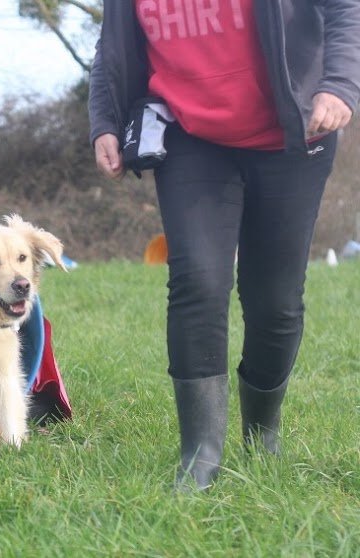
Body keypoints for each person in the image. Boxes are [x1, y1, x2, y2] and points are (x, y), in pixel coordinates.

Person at [89, 1, 360, 490]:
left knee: (274, 301)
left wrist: (339, 85)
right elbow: (112, 45)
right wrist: (105, 122)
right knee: (197, 282)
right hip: (190, 137)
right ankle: (200, 454)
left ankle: (262, 435)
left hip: (294, 133)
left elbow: (344, 8)